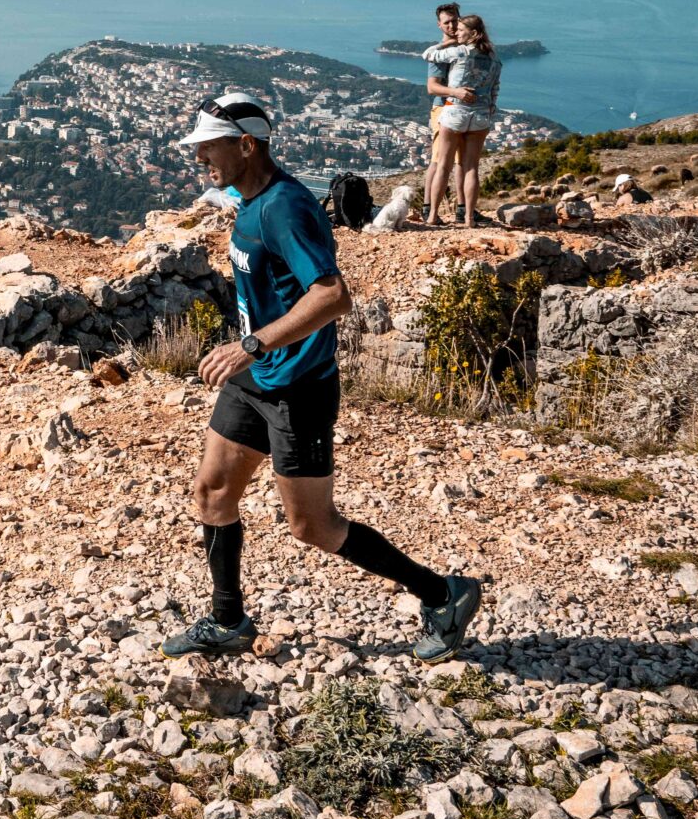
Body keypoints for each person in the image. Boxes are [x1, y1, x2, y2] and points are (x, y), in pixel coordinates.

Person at [161, 90, 483, 662]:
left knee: (313, 526)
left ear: (246, 143)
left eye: (207, 149)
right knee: (212, 491)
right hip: (257, 375)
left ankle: (443, 594)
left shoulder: (284, 206)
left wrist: (252, 343)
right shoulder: (249, 197)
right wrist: (251, 350)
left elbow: (334, 297)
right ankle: (227, 619)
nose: (199, 160)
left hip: (297, 388)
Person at [424, 15, 502, 226]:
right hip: (481, 115)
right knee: (471, 168)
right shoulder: (494, 58)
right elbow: (495, 87)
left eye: (460, 30)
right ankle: (468, 218)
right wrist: (490, 107)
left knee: (443, 166)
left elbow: (428, 55)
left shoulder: (460, 51)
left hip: (455, 112)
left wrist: (446, 43)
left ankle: (431, 216)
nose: (456, 33)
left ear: (473, 34)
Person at [418, 5, 464, 224]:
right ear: (440, 25)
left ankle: (463, 209)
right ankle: (428, 208)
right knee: (438, 160)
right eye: (447, 22)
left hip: (462, 110)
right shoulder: (439, 52)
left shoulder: (464, 47)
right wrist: (457, 92)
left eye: (455, 20)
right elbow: (432, 87)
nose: (452, 25)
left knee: (461, 161)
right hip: (443, 107)